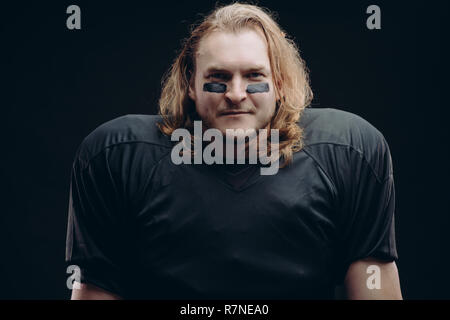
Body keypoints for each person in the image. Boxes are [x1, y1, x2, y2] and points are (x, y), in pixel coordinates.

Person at [66, 2, 402, 300]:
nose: (236, 93)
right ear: (191, 86)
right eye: (219, 77)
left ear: (280, 84)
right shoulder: (118, 156)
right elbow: (97, 290)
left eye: (254, 75)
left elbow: (375, 289)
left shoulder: (347, 151)